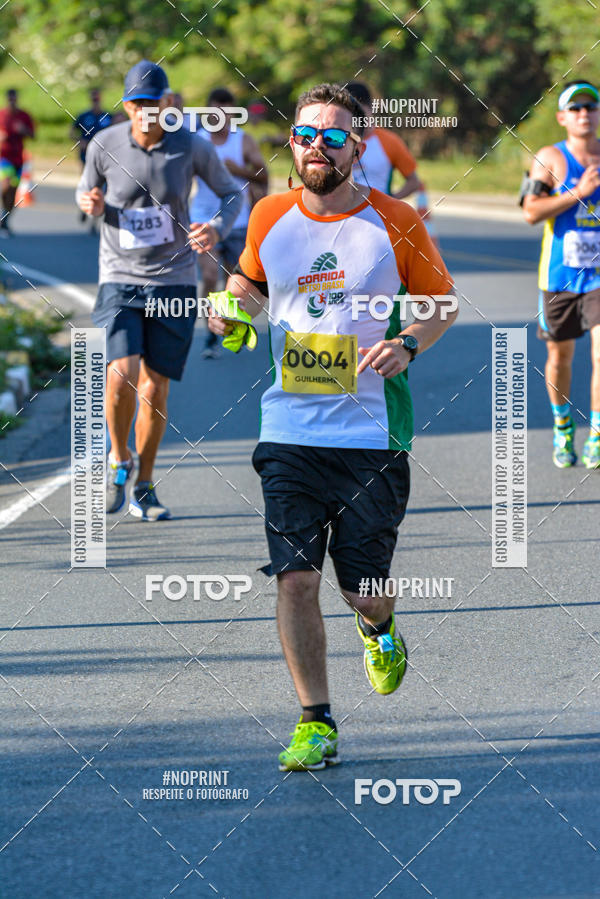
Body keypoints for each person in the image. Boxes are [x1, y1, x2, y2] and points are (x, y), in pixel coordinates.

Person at [209, 83, 457, 770]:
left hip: (371, 433)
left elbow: (441, 304)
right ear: (291, 143)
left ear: (359, 143)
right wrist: (230, 312)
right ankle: (315, 718)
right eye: (306, 134)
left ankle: (379, 630)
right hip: (288, 427)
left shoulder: (396, 220)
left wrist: (406, 343)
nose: (318, 145)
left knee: (363, 588)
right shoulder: (268, 215)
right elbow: (252, 285)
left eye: (334, 135)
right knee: (295, 578)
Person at [76, 60, 242, 520]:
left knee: (156, 386)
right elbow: (86, 191)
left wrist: (216, 226)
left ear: (168, 102)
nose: (148, 111)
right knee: (122, 372)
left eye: (156, 102)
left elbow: (232, 193)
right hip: (120, 276)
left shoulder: (191, 146)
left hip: (173, 280)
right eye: (140, 103)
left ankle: (144, 485)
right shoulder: (104, 144)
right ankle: (119, 456)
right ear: (128, 105)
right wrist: (87, 202)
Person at [522, 80, 600, 469]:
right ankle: (563, 425)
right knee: (560, 356)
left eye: (591, 106)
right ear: (562, 117)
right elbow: (530, 211)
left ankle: (598, 432)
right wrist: (579, 192)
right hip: (559, 278)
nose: (584, 114)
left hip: (599, 278)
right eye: (576, 108)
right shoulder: (550, 158)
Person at [190, 87, 268, 358]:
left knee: (230, 282)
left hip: (238, 221)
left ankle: (226, 328)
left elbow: (263, 175)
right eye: (216, 110)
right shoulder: (197, 141)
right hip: (202, 220)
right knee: (210, 275)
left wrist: (240, 171)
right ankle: (209, 336)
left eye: (227, 111)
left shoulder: (242, 141)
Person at [71, 89, 113, 226]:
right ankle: (84, 207)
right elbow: (71, 132)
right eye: (93, 99)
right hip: (86, 156)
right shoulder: (84, 116)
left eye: (97, 99)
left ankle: (94, 220)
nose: (96, 102)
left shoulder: (107, 117)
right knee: (87, 183)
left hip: (104, 157)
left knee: (100, 187)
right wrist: (79, 141)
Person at [0, 89, 35, 236]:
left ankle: (5, 220)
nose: (12, 102)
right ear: (7, 99)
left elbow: (33, 135)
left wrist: (24, 130)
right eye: (10, 99)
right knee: (6, 185)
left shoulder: (24, 116)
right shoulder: (2, 115)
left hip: (18, 159)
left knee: (13, 192)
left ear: (17, 99)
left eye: (14, 99)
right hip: (4, 157)